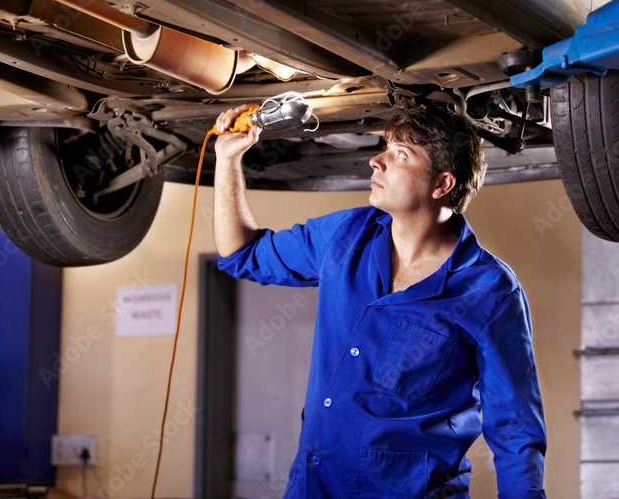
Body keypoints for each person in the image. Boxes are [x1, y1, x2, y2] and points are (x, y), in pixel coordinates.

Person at [213, 102, 547, 498]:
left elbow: (515, 431)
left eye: (399, 155)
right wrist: (228, 161)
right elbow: (242, 255)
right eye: (384, 146)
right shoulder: (345, 235)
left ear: (442, 185)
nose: (376, 161)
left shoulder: (489, 291)